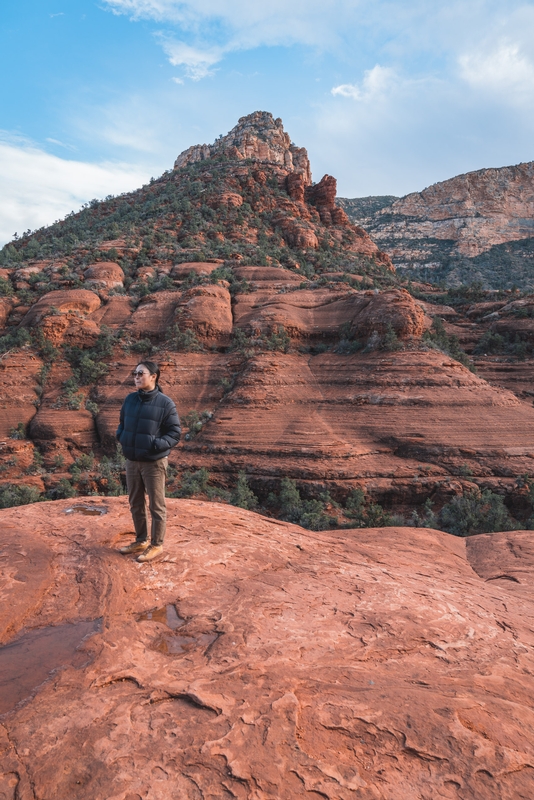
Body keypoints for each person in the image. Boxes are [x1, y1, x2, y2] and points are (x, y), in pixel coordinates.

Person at [116, 361, 181, 563]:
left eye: (140, 373)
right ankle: (141, 540)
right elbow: (121, 425)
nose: (136, 376)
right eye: (134, 373)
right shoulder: (129, 400)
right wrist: (122, 439)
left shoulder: (165, 403)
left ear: (153, 376)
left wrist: (156, 445)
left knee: (156, 505)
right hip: (132, 460)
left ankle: (156, 545)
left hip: (154, 462)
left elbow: (175, 433)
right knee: (135, 503)